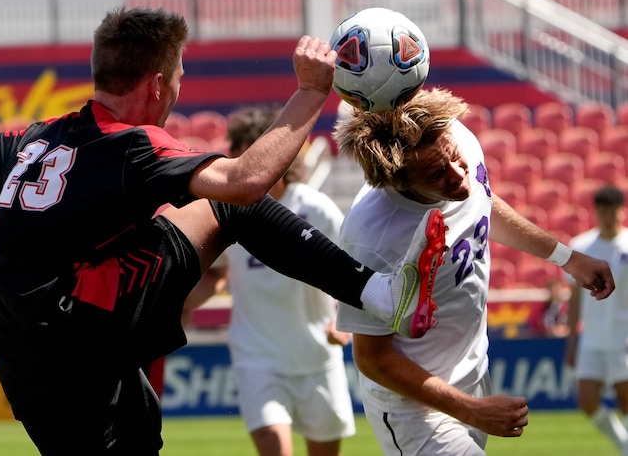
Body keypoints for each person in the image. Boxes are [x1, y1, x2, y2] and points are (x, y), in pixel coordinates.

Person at [0, 6, 446, 456]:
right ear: (159, 84)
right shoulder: (132, 144)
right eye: (180, 76)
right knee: (227, 206)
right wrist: (312, 92)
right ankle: (381, 296)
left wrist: (30, 227)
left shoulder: (33, 139)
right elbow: (245, 182)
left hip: (25, 358)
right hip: (82, 332)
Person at [331, 87, 615, 456]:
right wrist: (471, 410)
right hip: (414, 409)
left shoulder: (459, 137)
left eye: (454, 159)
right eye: (436, 174)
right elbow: (371, 358)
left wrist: (566, 257)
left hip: (474, 372)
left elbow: (482, 201)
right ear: (399, 180)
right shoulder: (371, 235)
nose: (458, 175)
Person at [182, 104, 355, 456]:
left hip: (316, 358)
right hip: (256, 358)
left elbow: (347, 273)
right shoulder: (222, 211)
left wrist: (343, 324)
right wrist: (174, 302)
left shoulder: (317, 208)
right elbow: (216, 276)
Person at [564, 184, 628, 455]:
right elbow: (575, 298)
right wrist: (571, 339)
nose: (607, 215)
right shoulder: (581, 247)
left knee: (626, 401)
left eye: (612, 210)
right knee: (587, 399)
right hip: (591, 337)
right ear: (596, 211)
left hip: (623, 337)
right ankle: (624, 443)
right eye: (602, 209)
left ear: (621, 210)